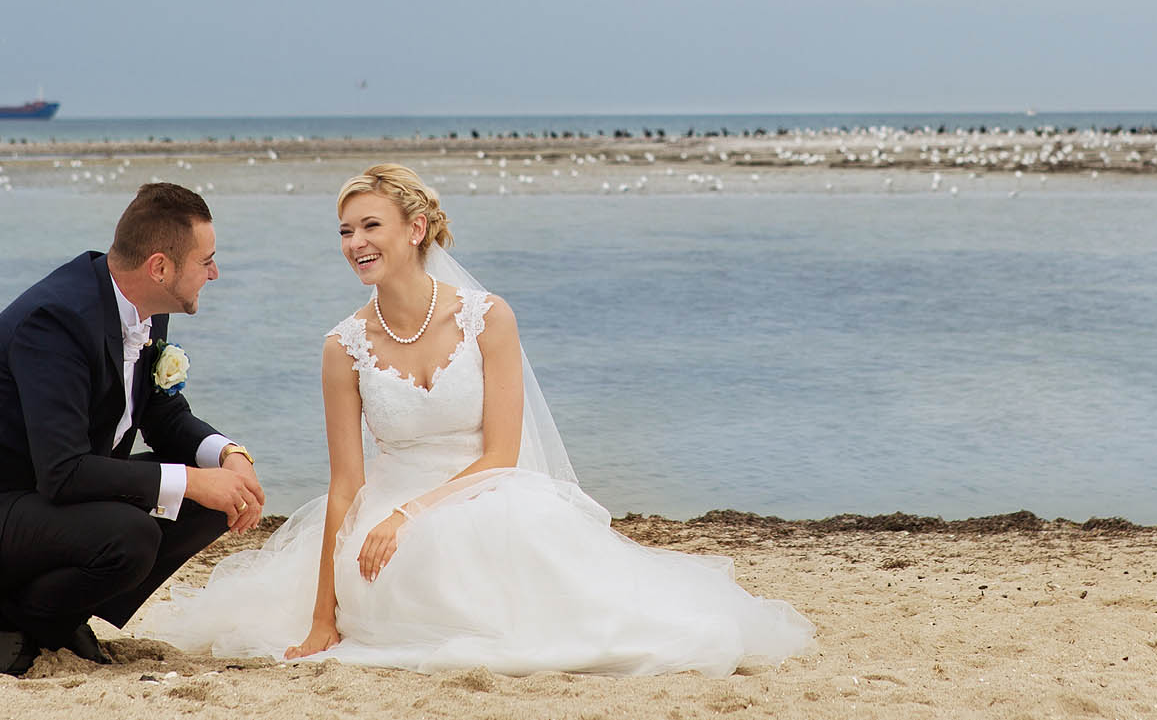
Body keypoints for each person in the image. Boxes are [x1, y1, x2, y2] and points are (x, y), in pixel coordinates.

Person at [146, 164, 814, 676]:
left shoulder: (489, 318)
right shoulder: (341, 346)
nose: (355, 243)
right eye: (346, 231)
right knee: (403, 569)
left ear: (415, 229)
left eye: (371, 226)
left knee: (564, 588)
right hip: (382, 506)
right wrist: (325, 617)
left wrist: (415, 513)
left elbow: (501, 451)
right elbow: (346, 483)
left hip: (488, 487)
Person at [0, 182, 267, 676]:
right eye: (207, 261)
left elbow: (162, 415)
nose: (214, 273)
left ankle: (59, 616)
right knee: (132, 534)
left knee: (212, 504)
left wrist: (225, 457)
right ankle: (9, 620)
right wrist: (194, 481)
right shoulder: (56, 320)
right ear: (160, 267)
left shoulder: (145, 312)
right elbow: (63, 472)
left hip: (39, 497)